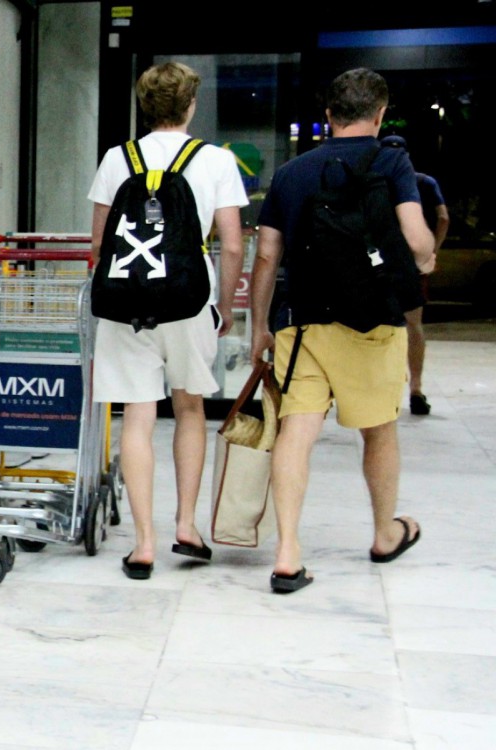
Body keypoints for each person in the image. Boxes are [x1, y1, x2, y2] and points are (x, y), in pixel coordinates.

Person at [250, 68, 436, 594]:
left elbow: (267, 255)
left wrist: (259, 325)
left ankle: (287, 553)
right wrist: (425, 259)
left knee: (297, 431)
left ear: (329, 115)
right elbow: (417, 240)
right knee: (378, 430)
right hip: (372, 322)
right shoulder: (391, 161)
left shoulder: (291, 173)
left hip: (302, 324)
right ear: (380, 114)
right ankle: (384, 534)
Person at [87, 61, 247, 580]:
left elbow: (99, 244)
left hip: (126, 304)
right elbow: (232, 243)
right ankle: (186, 526)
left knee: (137, 415)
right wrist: (224, 305)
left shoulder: (117, 158)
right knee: (190, 408)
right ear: (191, 105)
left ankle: (143, 545)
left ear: (144, 106)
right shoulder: (215, 160)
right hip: (189, 300)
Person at [380, 134, 449, 416]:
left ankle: (382, 388)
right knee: (413, 324)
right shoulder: (424, 182)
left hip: (378, 261)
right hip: (413, 262)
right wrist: (432, 251)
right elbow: (443, 217)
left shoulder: (374, 179)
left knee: (376, 323)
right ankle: (416, 388)